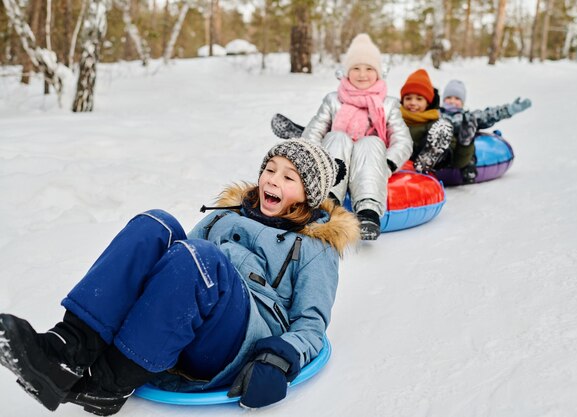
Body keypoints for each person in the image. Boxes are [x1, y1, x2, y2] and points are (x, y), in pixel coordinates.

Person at [0, 140, 360, 415]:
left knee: (203, 258)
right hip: (194, 316)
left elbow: (311, 326)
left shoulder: (315, 246)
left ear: (309, 194)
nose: (272, 179)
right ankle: (68, 349)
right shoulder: (225, 214)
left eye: (288, 176)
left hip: (241, 337)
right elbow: (178, 267)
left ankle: (112, 382)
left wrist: (279, 359)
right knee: (155, 225)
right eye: (270, 168)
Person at [300, 33, 412, 241]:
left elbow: (403, 140)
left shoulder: (387, 104)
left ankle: (368, 211)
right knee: (337, 137)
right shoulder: (333, 100)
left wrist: (387, 163)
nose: (362, 74)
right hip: (336, 160)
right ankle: (326, 203)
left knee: (370, 142)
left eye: (369, 68)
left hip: (370, 161)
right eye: (356, 68)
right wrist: (315, 160)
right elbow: (313, 133)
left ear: (378, 73)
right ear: (346, 72)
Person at [440, 79, 532, 183]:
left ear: (462, 102)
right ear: (443, 100)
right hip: (443, 148)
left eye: (457, 98)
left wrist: (509, 109)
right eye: (448, 98)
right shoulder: (437, 115)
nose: (452, 101)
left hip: (463, 148)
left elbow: (488, 115)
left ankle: (468, 168)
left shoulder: (468, 117)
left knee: (468, 136)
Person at [399, 68, 453, 173]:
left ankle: (427, 159)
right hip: (397, 159)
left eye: (419, 99)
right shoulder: (396, 118)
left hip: (420, 163)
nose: (413, 103)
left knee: (436, 138)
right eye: (408, 98)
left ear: (427, 103)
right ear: (402, 100)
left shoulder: (433, 123)